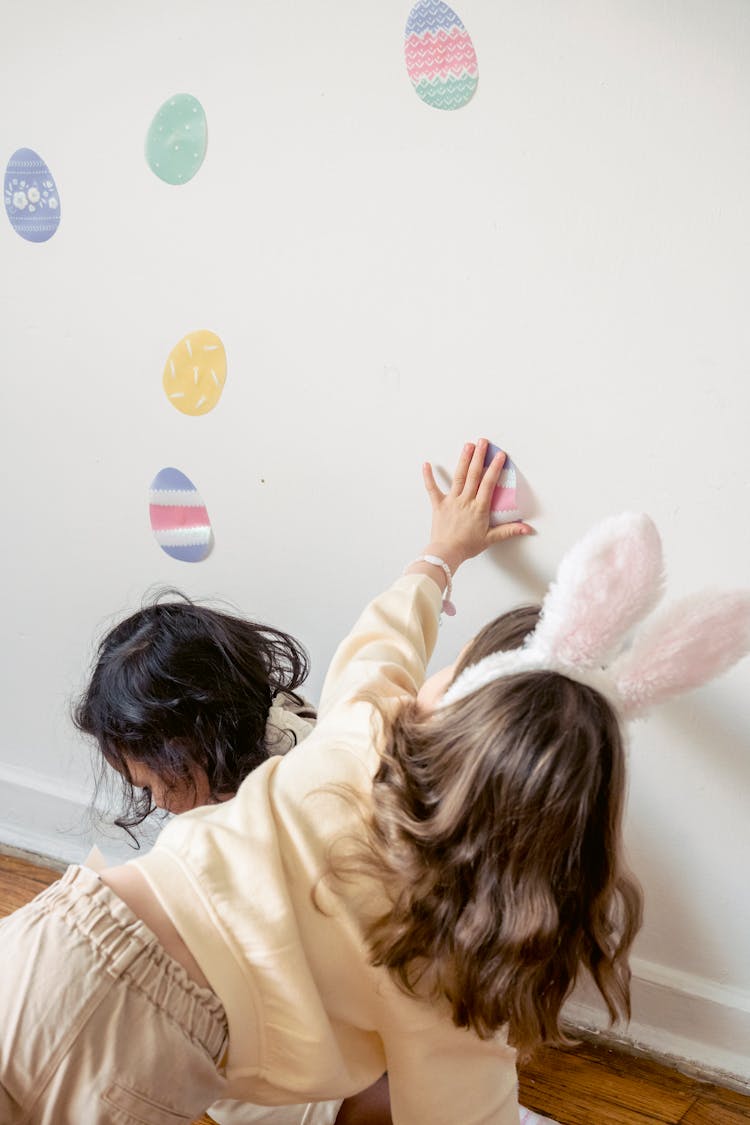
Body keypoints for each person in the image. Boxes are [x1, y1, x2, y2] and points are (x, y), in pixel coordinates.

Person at [2, 440, 748, 1125]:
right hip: (151, 1033)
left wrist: (440, 553)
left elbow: (386, 636)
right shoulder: (449, 961)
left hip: (66, 920)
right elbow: (465, 1113)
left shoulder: (365, 728)